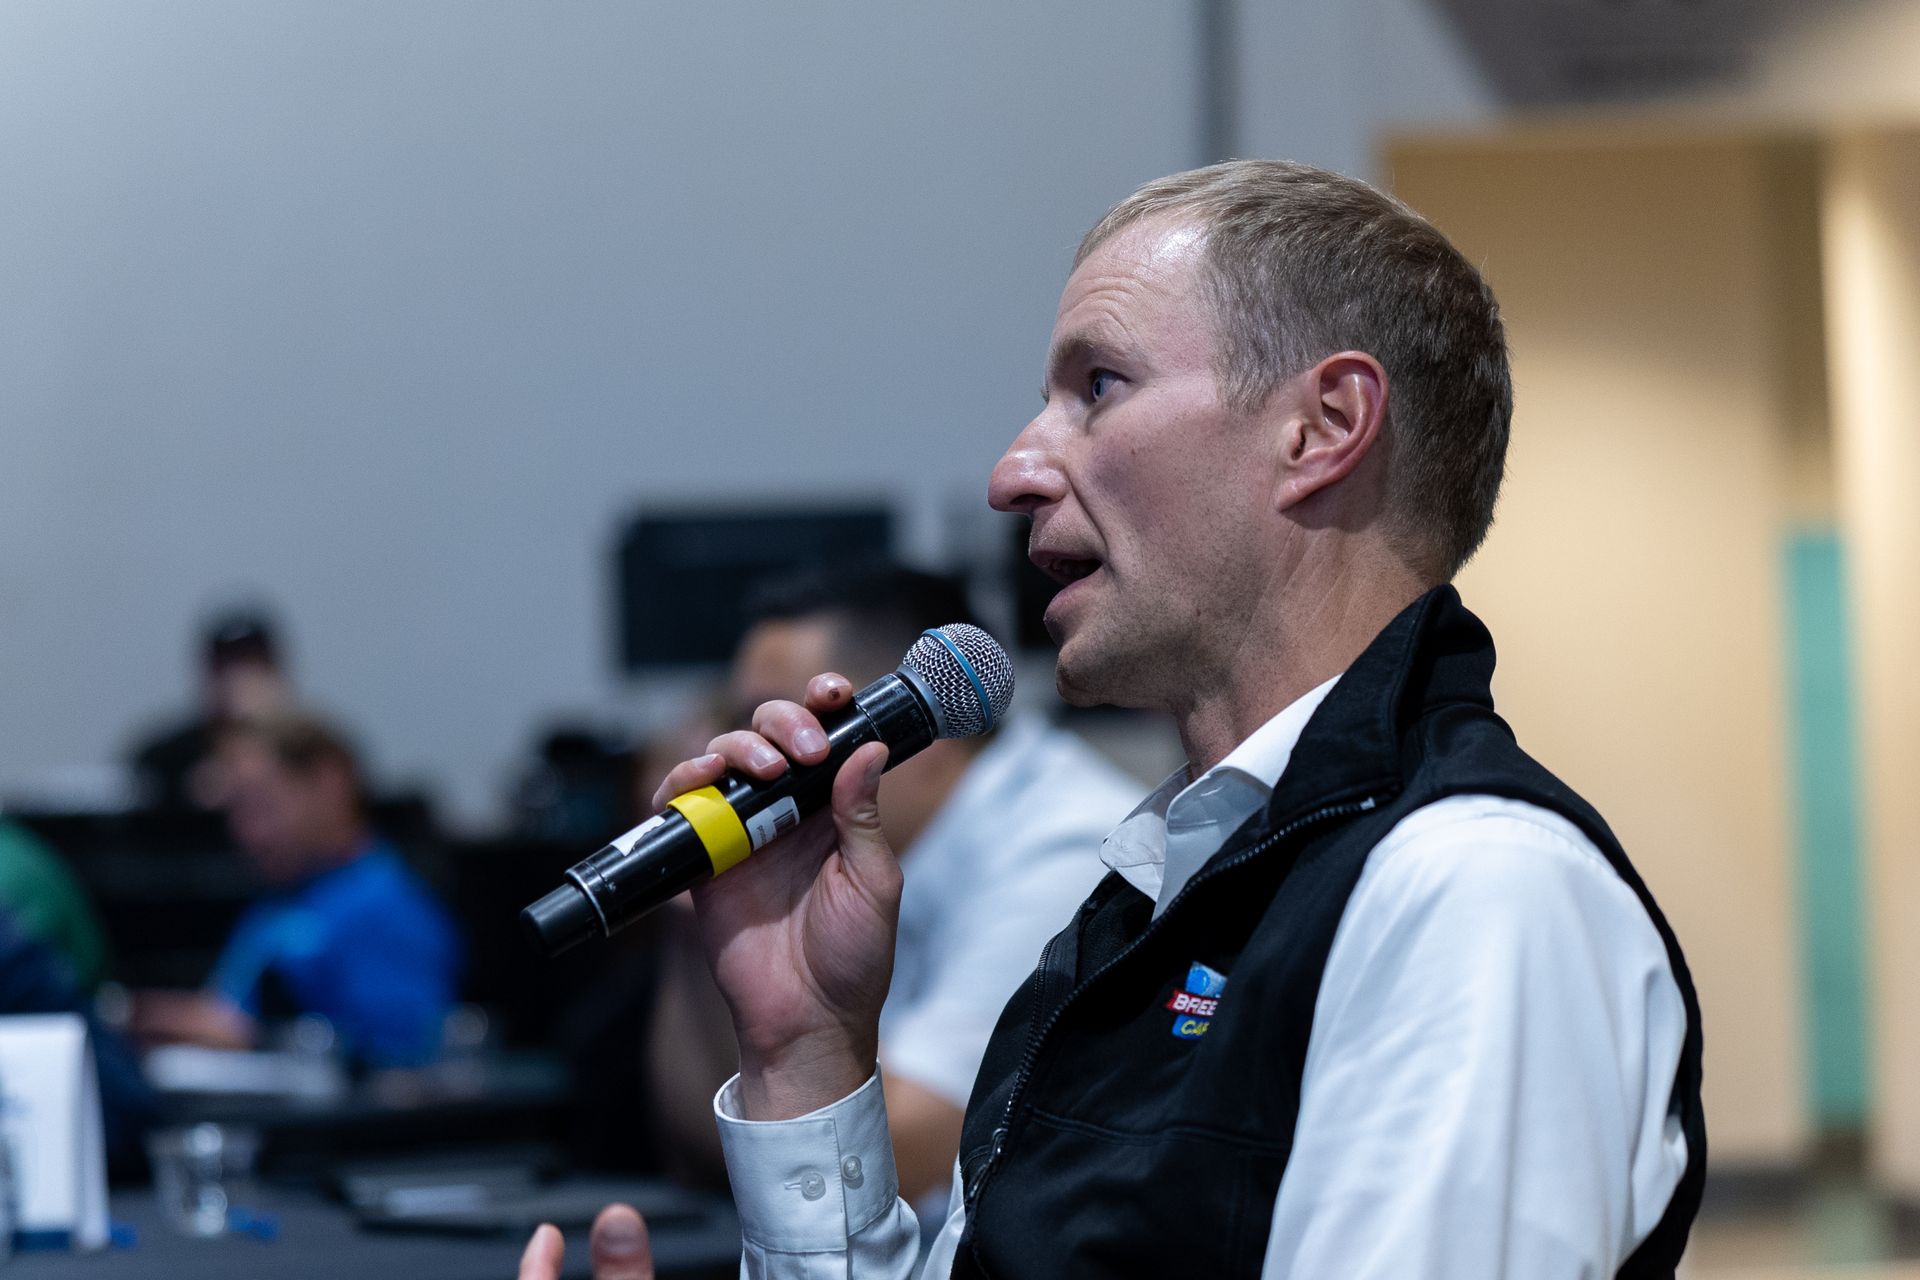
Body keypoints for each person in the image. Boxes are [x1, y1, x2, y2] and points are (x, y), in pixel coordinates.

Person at [521, 160, 1705, 1279]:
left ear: (1323, 428)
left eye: (1099, 387)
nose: (1013, 470)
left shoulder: (1471, 891)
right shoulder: (1161, 882)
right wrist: (806, 1051)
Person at [644, 561, 1137, 1204]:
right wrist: (696, 911)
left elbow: (897, 1164)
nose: (756, 761)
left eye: (789, 727)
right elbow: (702, 1136)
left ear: (919, 725)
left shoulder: (1068, 845)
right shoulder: (861, 849)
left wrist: (789, 1060)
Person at [130, 710, 462, 1067]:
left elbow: (400, 1066)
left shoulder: (385, 910)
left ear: (329, 783)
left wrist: (255, 1040)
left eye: (262, 805)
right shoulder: (276, 901)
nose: (247, 833)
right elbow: (231, 1013)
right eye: (235, 812)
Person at [127, 606, 296, 810]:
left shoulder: (312, 752)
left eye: (251, 662)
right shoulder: (164, 757)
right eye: (225, 664)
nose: (237, 678)